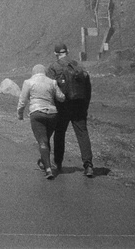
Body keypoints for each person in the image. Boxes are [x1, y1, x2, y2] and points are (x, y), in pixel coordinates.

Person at [47, 43, 94, 177]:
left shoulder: (53, 67)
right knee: (82, 133)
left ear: (56, 54)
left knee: (60, 133)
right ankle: (88, 165)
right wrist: (85, 106)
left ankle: (58, 162)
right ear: (68, 51)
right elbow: (87, 88)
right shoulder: (79, 66)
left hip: (62, 105)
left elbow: (50, 89)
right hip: (79, 104)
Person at [18, 64, 65, 179]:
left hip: (37, 113)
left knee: (42, 141)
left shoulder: (28, 82)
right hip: (52, 114)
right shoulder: (52, 82)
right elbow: (61, 97)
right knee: (46, 139)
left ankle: (48, 169)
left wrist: (20, 114)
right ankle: (45, 162)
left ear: (33, 72)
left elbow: (22, 100)